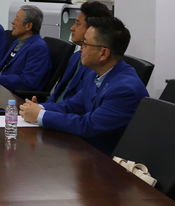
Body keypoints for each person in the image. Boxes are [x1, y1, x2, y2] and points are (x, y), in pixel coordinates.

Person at [20, 16, 149, 156]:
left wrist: (41, 115)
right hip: (86, 151)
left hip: (107, 160)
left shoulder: (125, 89)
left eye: (85, 43)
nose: (80, 48)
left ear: (104, 53)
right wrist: (38, 108)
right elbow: (72, 105)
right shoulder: (93, 74)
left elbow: (90, 125)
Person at [46, 1, 112, 103]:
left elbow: (79, 104)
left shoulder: (97, 65)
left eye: (77, 24)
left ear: (92, 29)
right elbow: (59, 91)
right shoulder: (75, 56)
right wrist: (41, 107)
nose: (72, 28)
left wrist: (43, 111)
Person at [0, 5, 51, 93]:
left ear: (28, 26)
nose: (13, 22)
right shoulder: (18, 41)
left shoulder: (39, 48)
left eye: (17, 19)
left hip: (14, 95)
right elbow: (2, 65)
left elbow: (27, 81)